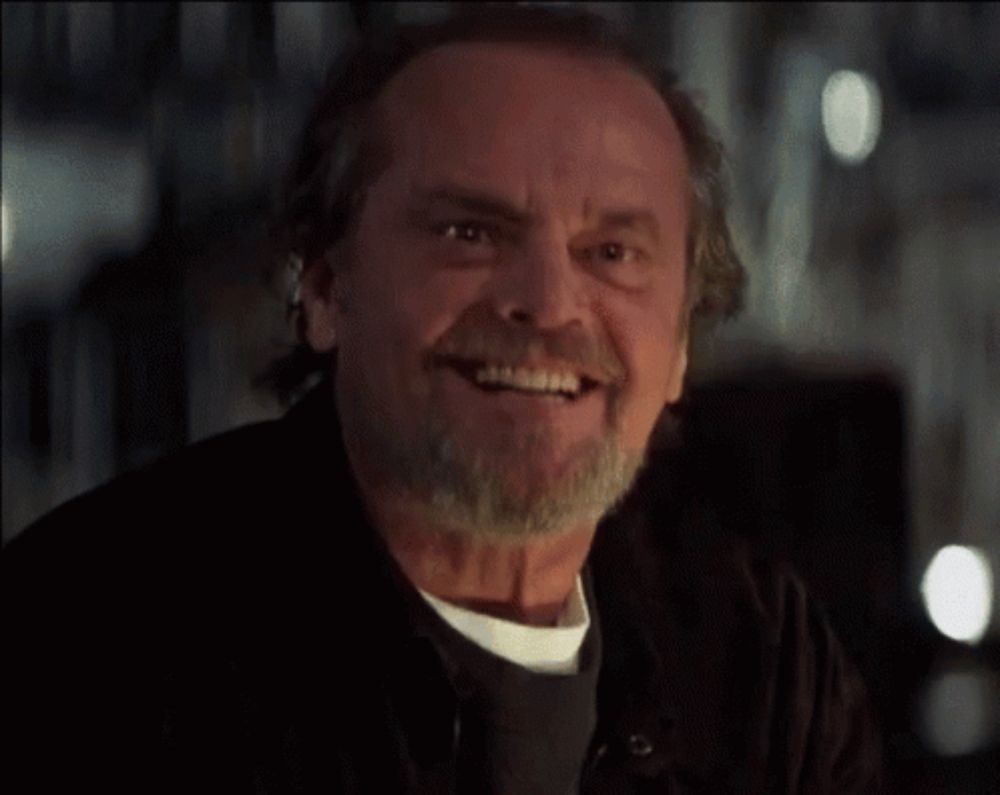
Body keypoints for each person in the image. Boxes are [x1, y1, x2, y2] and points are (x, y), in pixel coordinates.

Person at [1, 5, 883, 793]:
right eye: (470, 232)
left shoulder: (761, 664)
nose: (548, 303)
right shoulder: (84, 644)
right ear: (323, 288)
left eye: (612, 253)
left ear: (682, 341)